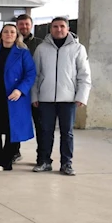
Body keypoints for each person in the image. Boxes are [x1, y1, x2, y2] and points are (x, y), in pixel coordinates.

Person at [31, 17, 92, 176]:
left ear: (67, 28)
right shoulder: (41, 49)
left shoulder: (78, 49)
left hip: (68, 99)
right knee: (45, 131)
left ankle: (66, 164)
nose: (59, 29)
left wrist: (81, 96)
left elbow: (84, 75)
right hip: (46, 99)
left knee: (67, 133)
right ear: (50, 29)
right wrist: (34, 96)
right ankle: (44, 161)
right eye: (55, 26)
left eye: (62, 26)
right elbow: (35, 75)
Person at [0, 24, 37, 171]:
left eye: (12, 32)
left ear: (17, 35)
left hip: (14, 97)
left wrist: (20, 90)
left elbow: (30, 74)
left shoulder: (23, 52)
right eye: (6, 32)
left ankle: (5, 162)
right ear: (1, 34)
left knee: (12, 129)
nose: (9, 34)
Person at [16, 14, 44, 165]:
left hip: (35, 91)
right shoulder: (12, 43)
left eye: (26, 24)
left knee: (40, 125)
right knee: (15, 123)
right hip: (17, 92)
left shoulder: (40, 44)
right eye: (21, 24)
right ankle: (14, 151)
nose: (24, 27)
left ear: (31, 25)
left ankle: (42, 156)